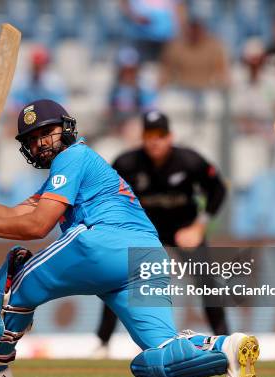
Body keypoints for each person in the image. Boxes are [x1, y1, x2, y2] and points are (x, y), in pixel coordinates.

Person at [0, 99, 259, 377]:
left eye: (46, 132)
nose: (40, 143)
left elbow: (37, 226)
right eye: (32, 139)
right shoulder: (73, 168)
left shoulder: (72, 157)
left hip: (103, 242)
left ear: (65, 129)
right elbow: (17, 213)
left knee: (14, 283)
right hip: (147, 258)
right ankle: (225, 348)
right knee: (159, 358)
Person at [95, 110, 230, 357]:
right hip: (144, 233)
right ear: (143, 137)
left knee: (208, 281)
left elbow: (218, 189)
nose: (155, 141)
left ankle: (227, 342)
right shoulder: (127, 164)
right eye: (149, 134)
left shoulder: (189, 161)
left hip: (184, 230)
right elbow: (109, 197)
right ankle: (102, 343)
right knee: (116, 277)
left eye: (160, 135)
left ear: (170, 136)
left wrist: (198, 227)